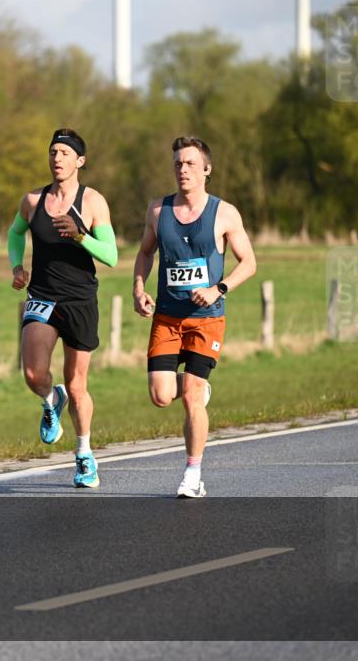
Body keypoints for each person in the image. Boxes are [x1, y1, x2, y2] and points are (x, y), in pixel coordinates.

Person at [132, 136, 257, 498]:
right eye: (177, 164)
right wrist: (139, 289)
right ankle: (196, 389)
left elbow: (248, 263)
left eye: (189, 164)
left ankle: (193, 474)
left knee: (190, 394)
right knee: (160, 394)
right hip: (168, 318)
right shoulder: (158, 211)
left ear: (206, 169)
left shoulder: (225, 213)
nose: (182, 170)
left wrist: (219, 288)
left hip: (207, 318)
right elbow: (144, 253)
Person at [8, 128, 118, 488]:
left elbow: (113, 257)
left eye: (65, 153)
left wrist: (80, 235)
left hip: (80, 300)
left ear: (79, 161)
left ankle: (84, 454)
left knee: (77, 384)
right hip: (42, 295)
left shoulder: (93, 202)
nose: (57, 158)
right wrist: (17, 265)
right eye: (53, 151)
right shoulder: (33, 200)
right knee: (32, 374)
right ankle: (50, 398)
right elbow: (14, 233)